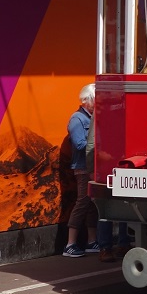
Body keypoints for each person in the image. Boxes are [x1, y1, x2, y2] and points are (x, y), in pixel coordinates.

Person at [63, 84, 100, 258]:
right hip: (83, 168)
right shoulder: (77, 119)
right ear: (87, 100)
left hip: (92, 167)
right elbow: (79, 144)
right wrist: (99, 143)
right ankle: (70, 244)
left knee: (93, 205)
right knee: (83, 203)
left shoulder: (92, 118)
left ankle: (92, 242)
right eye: (95, 99)